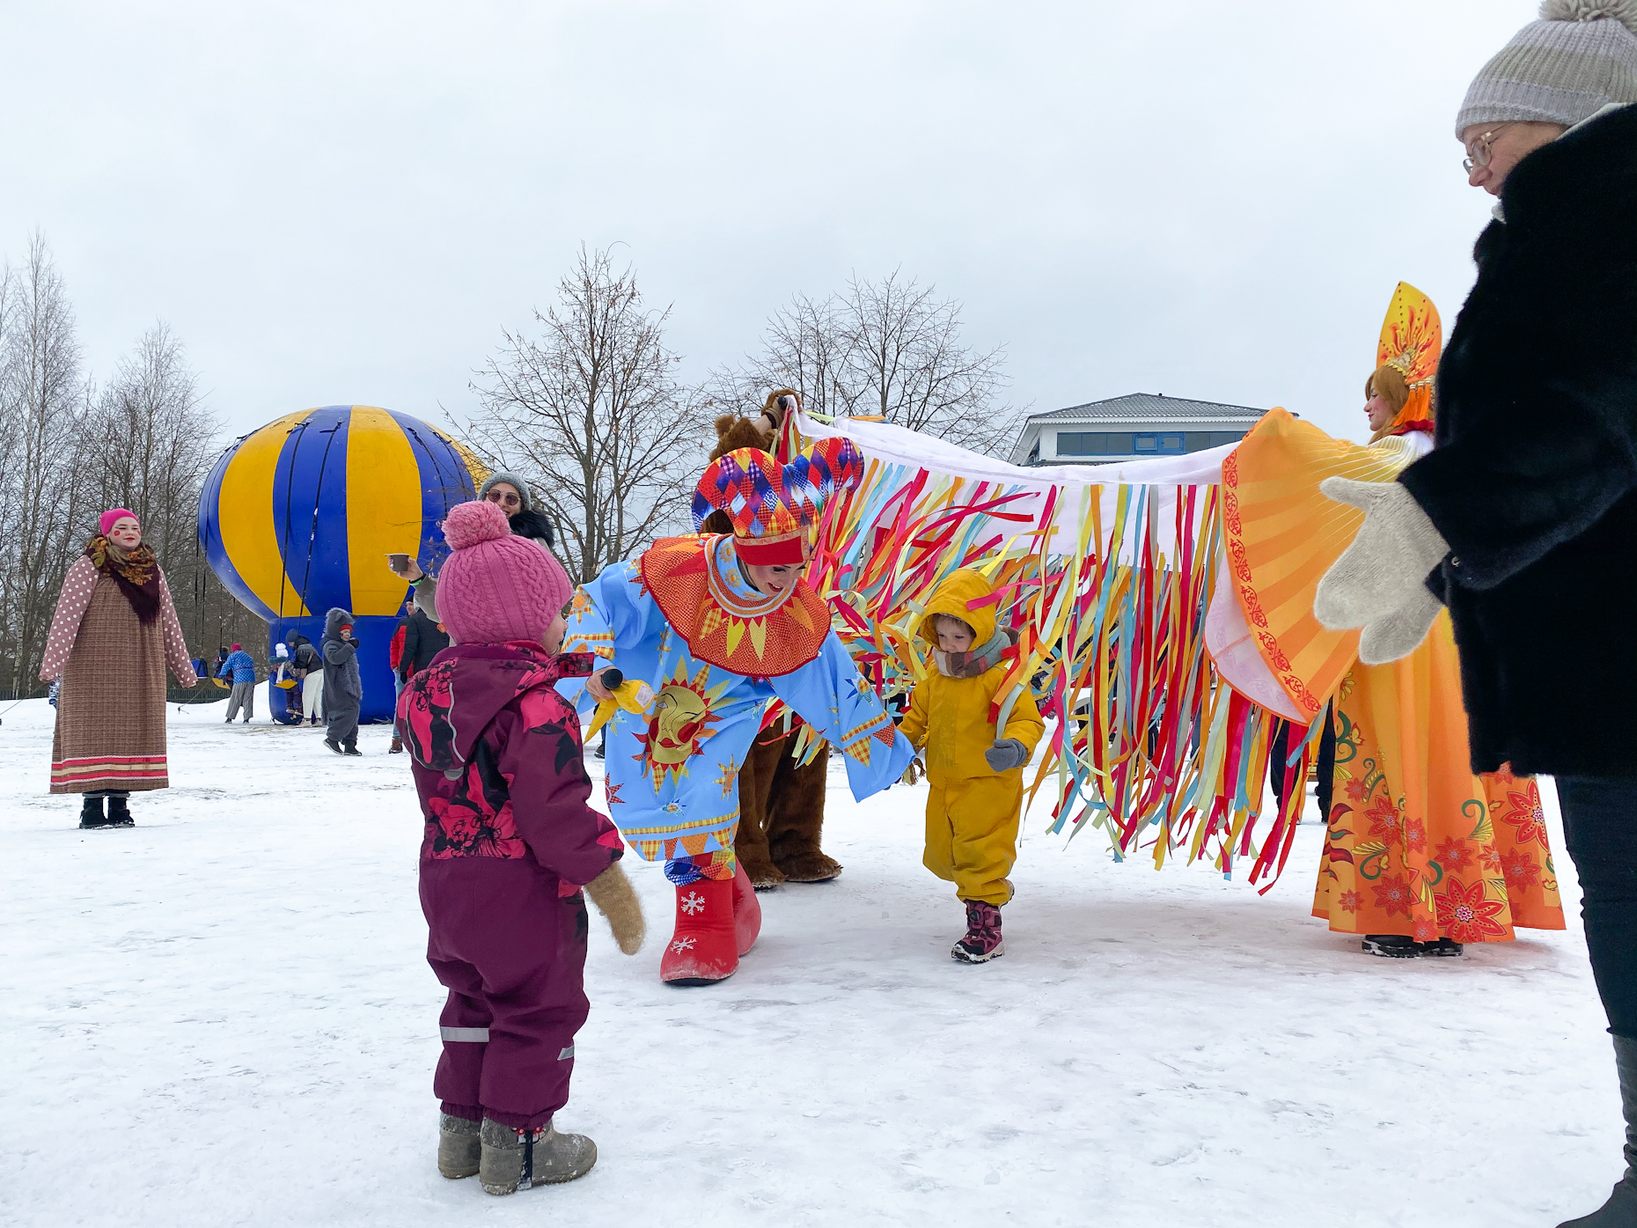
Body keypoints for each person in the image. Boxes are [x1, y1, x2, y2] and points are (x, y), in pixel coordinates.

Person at [1313, 5, 1636, 1220]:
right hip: (1598, 654)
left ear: (1571, 122)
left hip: (1617, 663)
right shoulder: (1570, 223)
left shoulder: (1604, 217)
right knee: (1624, 895)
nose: (1467, 164)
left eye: (1484, 132)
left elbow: (1592, 414)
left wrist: (1431, 521)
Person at [1213, 283, 1563, 958]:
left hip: (1397, 640)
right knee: (1450, 759)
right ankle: (1455, 905)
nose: (1365, 405)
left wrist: (1278, 432)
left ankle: (1399, 909)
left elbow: (1322, 474)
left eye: (1374, 393)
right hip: (1458, 635)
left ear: (1402, 396)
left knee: (1394, 752)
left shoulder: (1400, 456)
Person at [563, 441, 914, 985]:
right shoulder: (673, 568)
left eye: (797, 567)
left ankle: (702, 926)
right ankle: (736, 899)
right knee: (636, 802)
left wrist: (881, 746)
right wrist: (584, 667)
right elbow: (602, 601)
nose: (786, 580)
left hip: (727, 712)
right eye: (775, 567)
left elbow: (832, 680)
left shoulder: (796, 612)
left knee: (705, 792)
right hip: (646, 700)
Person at [399, 499, 642, 1195]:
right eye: (558, 611)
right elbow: (552, 808)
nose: (564, 623)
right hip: (522, 888)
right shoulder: (537, 704)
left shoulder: (427, 695)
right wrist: (606, 878)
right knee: (537, 1005)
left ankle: (463, 1131)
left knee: (471, 1000)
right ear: (524, 617)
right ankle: (523, 1144)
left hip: (446, 881)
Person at [896, 569, 1044, 963]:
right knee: (944, 856)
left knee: (980, 855)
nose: (949, 645)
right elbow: (918, 718)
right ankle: (991, 890)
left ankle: (984, 925)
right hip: (944, 784)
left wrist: (1015, 748)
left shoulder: (1000, 676)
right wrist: (900, 747)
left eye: (958, 637)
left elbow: (1027, 720)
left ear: (979, 630)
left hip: (987, 783)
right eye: (942, 636)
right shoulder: (937, 677)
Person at [38, 508, 198, 828]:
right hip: (93, 664)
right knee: (93, 730)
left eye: (134, 527)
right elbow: (67, 616)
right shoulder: (90, 566)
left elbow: (169, 621)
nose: (129, 532)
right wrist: (53, 663)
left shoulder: (153, 571)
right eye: (121, 527)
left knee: (132, 730)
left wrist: (182, 667)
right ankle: (93, 807)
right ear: (108, 532)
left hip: (140, 662)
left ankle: (121, 805)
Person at [395, 471, 555, 622]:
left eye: (511, 499)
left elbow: (545, 598)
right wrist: (418, 579)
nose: (501, 503)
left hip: (515, 644)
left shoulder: (532, 545)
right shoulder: (466, 546)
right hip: (469, 646)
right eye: (494, 495)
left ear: (522, 507)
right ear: (483, 499)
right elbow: (445, 612)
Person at [392, 601, 450, 754]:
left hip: (423, 670)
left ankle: (423, 741)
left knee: (422, 707)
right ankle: (444, 740)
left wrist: (403, 669)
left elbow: (410, 647)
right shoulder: (444, 617)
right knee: (443, 705)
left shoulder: (415, 620)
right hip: (445, 667)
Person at [321, 608, 362, 756]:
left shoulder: (342, 644)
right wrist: (350, 647)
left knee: (354, 711)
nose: (347, 635)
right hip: (338, 686)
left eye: (349, 633)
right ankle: (332, 737)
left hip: (350, 686)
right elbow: (335, 658)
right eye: (344, 632)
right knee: (348, 712)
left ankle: (350, 744)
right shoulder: (330, 644)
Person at [287, 632, 324, 726]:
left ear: (293, 641)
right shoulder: (309, 646)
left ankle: (307, 720)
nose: (289, 645)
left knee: (307, 696)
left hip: (312, 673)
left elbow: (302, 663)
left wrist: (292, 665)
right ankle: (319, 719)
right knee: (317, 696)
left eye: (290, 642)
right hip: (321, 671)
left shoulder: (302, 648)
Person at [216, 642, 256, 723]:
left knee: (235, 698)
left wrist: (222, 674)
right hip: (251, 678)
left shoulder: (233, 656)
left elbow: (226, 665)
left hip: (240, 678)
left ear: (233, 649)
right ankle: (246, 719)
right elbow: (252, 663)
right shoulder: (247, 655)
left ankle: (229, 718)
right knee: (248, 698)